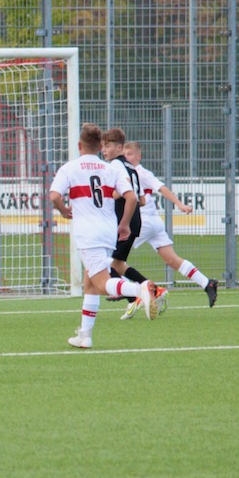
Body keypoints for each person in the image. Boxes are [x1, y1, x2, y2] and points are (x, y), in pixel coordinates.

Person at [49, 123, 159, 349]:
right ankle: (85, 336)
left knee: (101, 283)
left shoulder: (70, 168)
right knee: (90, 284)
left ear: (79, 145)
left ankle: (141, 289)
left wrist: (63, 210)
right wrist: (125, 225)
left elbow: (53, 196)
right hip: (108, 231)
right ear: (100, 146)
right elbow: (131, 197)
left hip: (88, 234)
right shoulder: (111, 169)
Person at [117, 141, 219, 319]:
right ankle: (207, 283)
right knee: (172, 260)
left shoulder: (141, 172)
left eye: (130, 154)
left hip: (144, 223)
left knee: (114, 258)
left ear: (138, 156)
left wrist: (179, 204)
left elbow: (161, 188)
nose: (127, 157)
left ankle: (132, 291)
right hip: (154, 223)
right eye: (124, 155)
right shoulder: (128, 172)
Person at [100, 128, 165, 311]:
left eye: (108, 146)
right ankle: (153, 290)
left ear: (119, 147)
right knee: (118, 264)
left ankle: (137, 294)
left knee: (106, 263)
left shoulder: (115, 165)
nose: (104, 150)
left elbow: (127, 193)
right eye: (102, 146)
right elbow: (141, 199)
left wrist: (105, 198)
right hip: (135, 219)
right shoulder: (130, 166)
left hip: (125, 221)